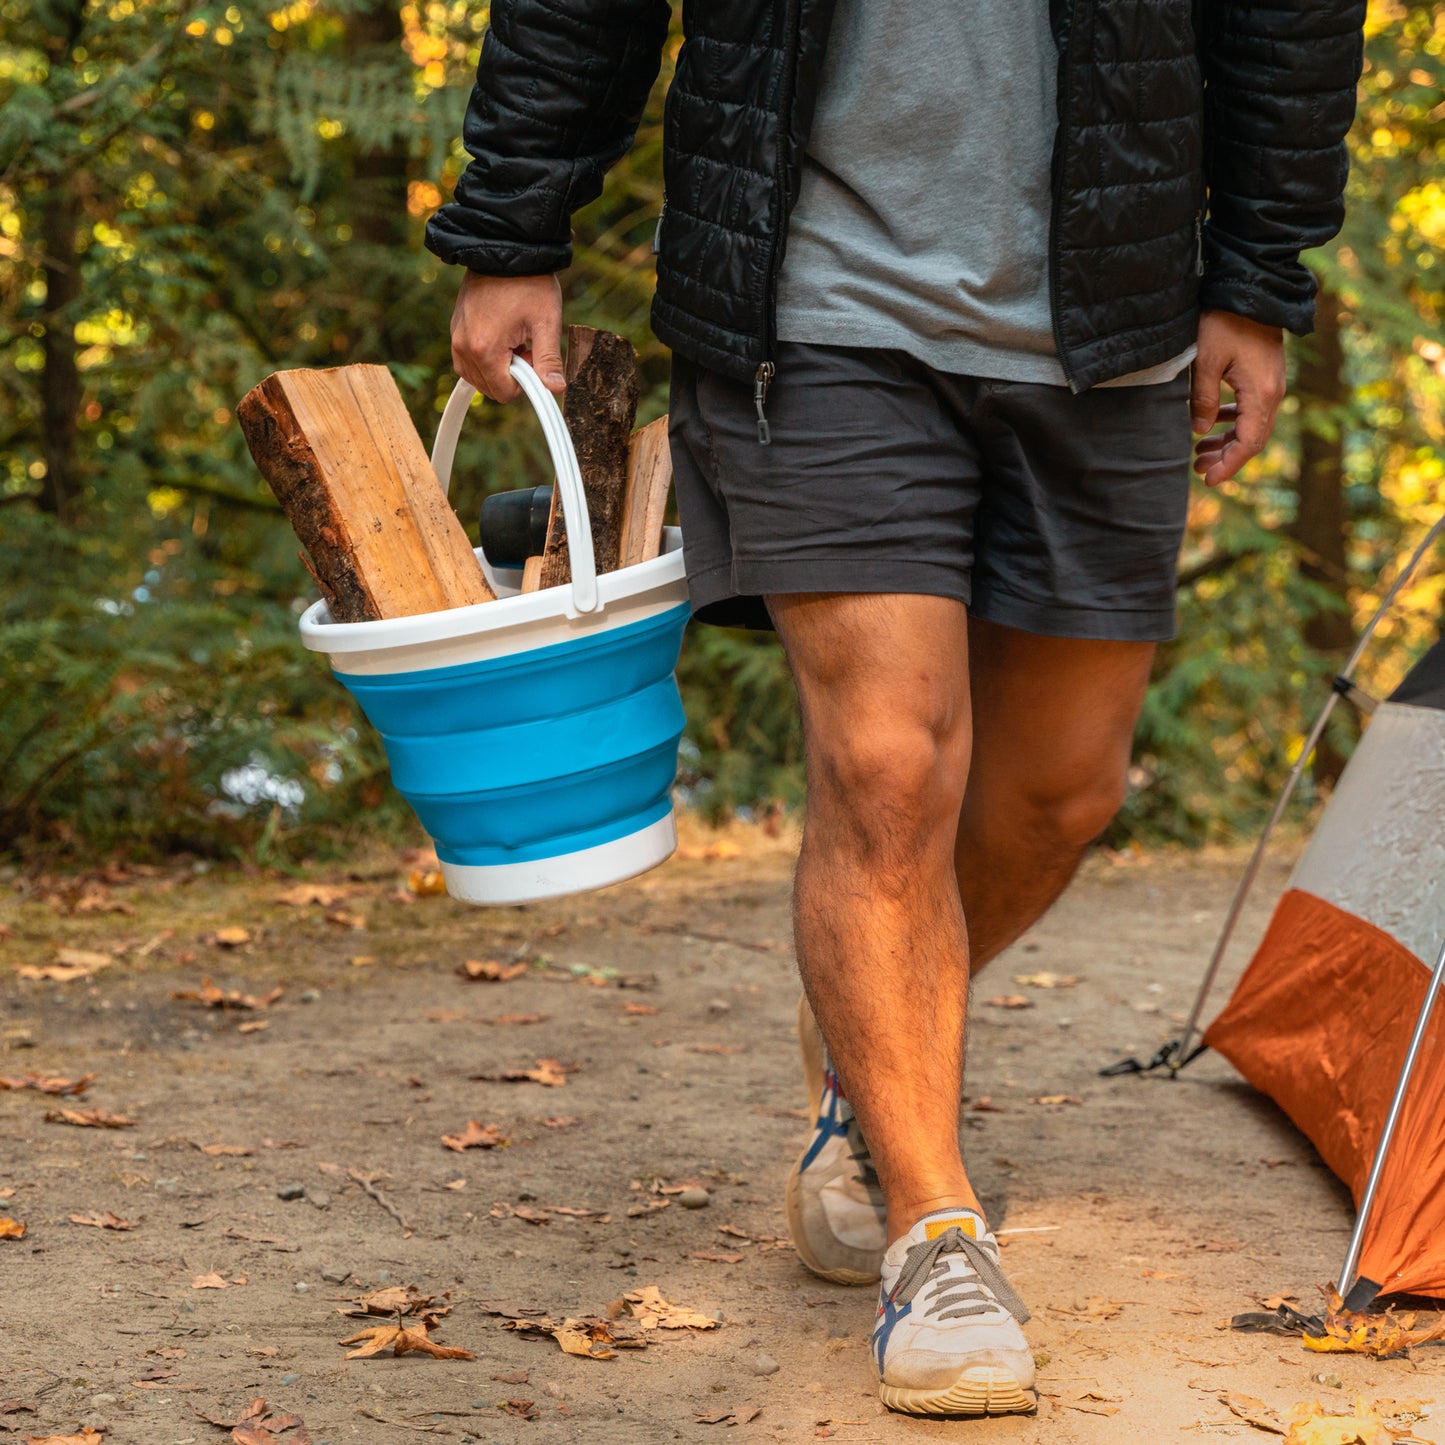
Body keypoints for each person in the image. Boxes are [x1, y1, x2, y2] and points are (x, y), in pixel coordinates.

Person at [425, 0, 1365, 1417]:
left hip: (1113, 308)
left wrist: (1258, 275)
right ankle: (936, 1237)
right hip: (811, 313)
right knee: (886, 763)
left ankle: (859, 1046)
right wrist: (514, 228)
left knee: (1063, 791)